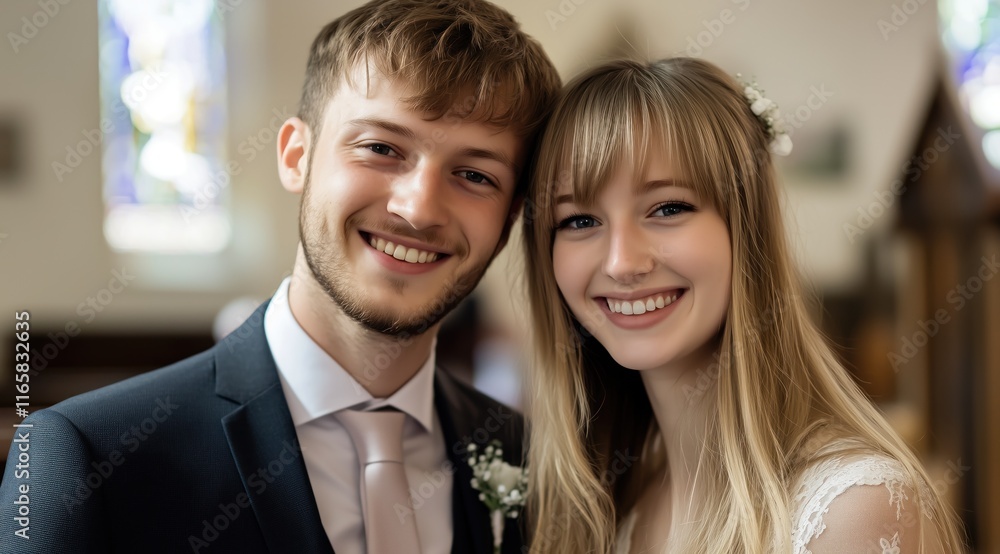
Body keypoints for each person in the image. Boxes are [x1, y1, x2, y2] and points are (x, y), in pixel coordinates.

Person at [0, 1, 560, 552]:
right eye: (381, 148)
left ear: (510, 217)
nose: (419, 208)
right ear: (297, 156)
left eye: (474, 174)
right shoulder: (91, 455)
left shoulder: (527, 455)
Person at [522, 57, 965, 553]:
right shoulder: (605, 503)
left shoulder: (854, 508)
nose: (623, 262)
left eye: (668, 208)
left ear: (746, 227)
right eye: (580, 220)